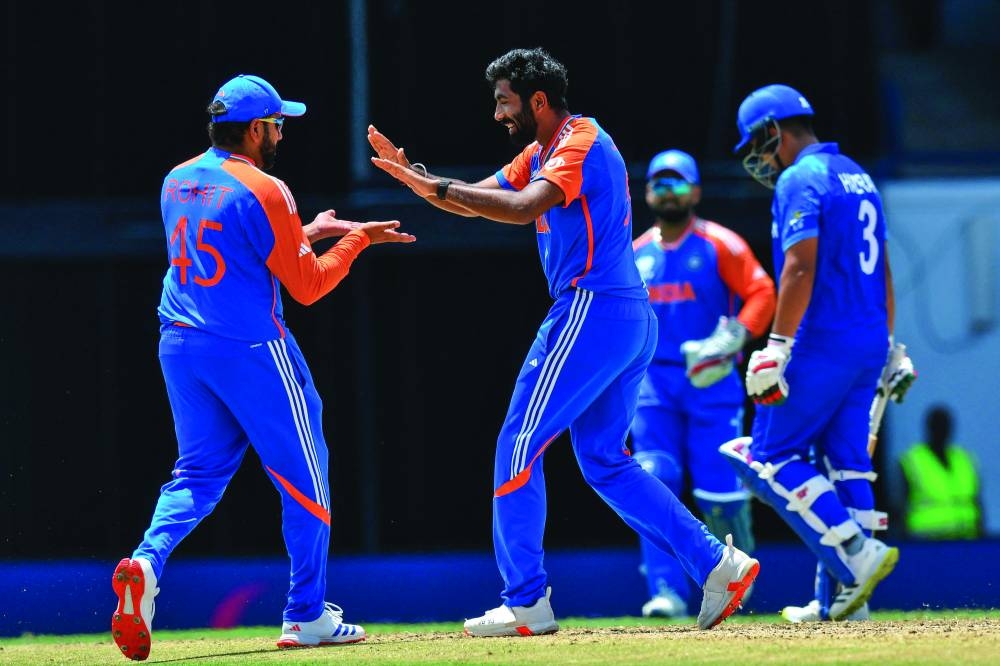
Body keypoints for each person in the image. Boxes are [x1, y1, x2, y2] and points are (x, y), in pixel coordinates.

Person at [367, 47, 758, 636]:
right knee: (604, 461)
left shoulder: (579, 140)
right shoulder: (543, 151)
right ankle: (716, 565)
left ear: (538, 101)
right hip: (624, 316)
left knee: (517, 444)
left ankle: (525, 599)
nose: (497, 113)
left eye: (504, 101)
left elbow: (523, 208)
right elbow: (482, 201)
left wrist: (441, 188)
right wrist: (422, 182)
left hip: (591, 309)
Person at [110, 74, 415, 661]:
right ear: (255, 129)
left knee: (196, 475)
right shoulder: (267, 187)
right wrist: (354, 244)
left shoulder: (178, 178)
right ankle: (305, 614)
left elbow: (231, 249)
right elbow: (306, 286)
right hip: (252, 350)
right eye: (277, 124)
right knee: (306, 478)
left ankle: (146, 564)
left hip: (179, 344)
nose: (280, 133)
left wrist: (310, 232)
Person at [720, 83, 916, 623]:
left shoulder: (799, 178)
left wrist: (777, 346)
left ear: (773, 133)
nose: (757, 158)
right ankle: (845, 605)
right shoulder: (859, 174)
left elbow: (799, 267)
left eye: (755, 145)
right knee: (846, 462)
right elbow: (884, 271)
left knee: (768, 456)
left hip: (823, 340)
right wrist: (891, 346)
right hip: (869, 339)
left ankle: (858, 553)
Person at [630, 149, 776, 617]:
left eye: (678, 182)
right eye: (660, 182)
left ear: (695, 191)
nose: (668, 190)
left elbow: (762, 291)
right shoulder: (635, 254)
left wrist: (736, 336)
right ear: (647, 191)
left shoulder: (721, 244)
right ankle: (666, 591)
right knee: (654, 480)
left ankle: (736, 580)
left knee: (721, 491)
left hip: (712, 382)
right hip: (652, 383)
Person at [900, 404, 982, 540]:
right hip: (926, 541)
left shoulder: (964, 459)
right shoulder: (912, 461)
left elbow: (977, 501)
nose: (943, 430)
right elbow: (899, 506)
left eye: (946, 425)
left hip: (966, 538)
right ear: (929, 428)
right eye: (938, 426)